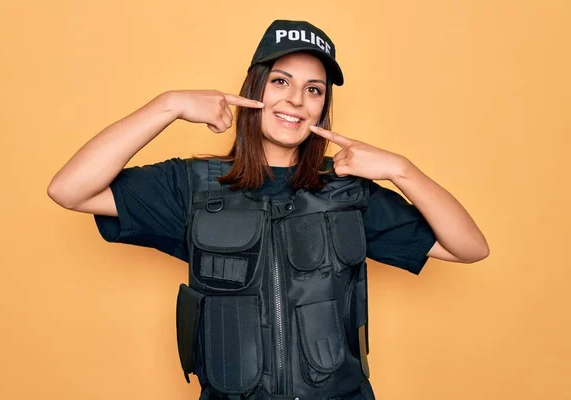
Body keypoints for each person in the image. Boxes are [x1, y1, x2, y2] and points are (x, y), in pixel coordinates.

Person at [48, 19, 489, 400]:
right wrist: (169, 105)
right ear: (254, 90)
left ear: (322, 107)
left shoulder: (349, 192)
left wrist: (403, 170)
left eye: (313, 90)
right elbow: (69, 190)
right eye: (281, 81)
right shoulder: (193, 186)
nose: (296, 100)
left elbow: (469, 247)